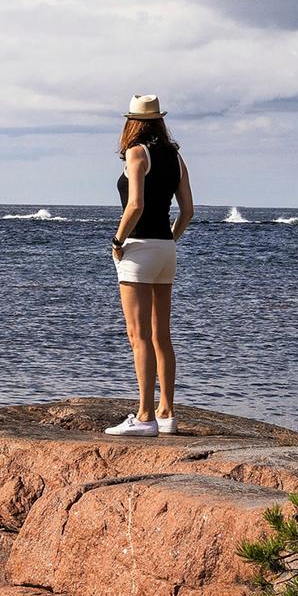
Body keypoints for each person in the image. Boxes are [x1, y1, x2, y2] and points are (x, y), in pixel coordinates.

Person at [105, 94, 194, 436]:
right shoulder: (176, 156)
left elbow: (135, 205)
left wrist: (117, 241)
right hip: (166, 249)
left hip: (139, 249)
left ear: (133, 123)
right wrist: (169, 238)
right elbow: (188, 211)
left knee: (138, 335)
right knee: (162, 336)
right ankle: (167, 413)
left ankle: (145, 417)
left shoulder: (136, 152)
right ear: (160, 121)